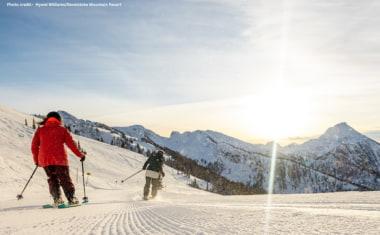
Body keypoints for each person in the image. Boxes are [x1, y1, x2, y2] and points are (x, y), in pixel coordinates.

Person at [31, 111, 86, 206]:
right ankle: (71, 199)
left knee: (52, 179)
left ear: (47, 119)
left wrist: (37, 160)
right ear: (59, 119)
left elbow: (34, 146)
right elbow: (71, 145)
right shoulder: (62, 130)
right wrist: (80, 155)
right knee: (64, 178)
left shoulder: (40, 130)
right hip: (60, 159)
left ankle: (57, 199)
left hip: (45, 160)